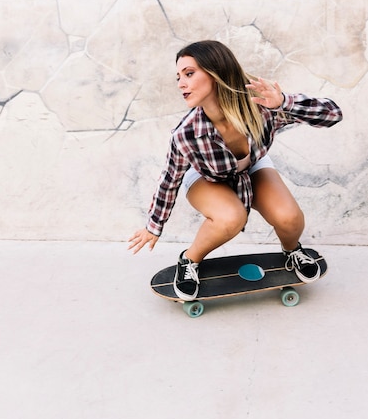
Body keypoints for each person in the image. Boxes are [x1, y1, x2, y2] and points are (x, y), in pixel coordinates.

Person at [128, 40, 343, 300]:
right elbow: (170, 179)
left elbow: (333, 114)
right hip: (207, 177)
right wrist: (154, 226)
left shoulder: (262, 108)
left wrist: (283, 103)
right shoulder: (186, 134)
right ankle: (189, 260)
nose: (180, 84)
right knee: (231, 217)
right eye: (178, 77)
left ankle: (291, 252)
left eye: (189, 73)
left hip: (252, 167)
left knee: (290, 219)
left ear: (216, 72)